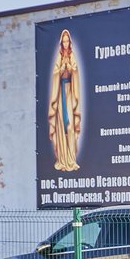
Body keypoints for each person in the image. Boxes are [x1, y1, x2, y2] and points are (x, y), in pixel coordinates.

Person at [47, 29, 82, 171]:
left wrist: (71, 69)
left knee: (70, 126)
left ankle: (71, 160)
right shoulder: (59, 56)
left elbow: (75, 71)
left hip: (69, 92)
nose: (66, 44)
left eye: (67, 41)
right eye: (64, 42)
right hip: (60, 91)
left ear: (70, 42)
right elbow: (55, 73)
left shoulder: (72, 55)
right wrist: (61, 69)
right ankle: (62, 159)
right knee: (61, 125)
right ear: (61, 43)